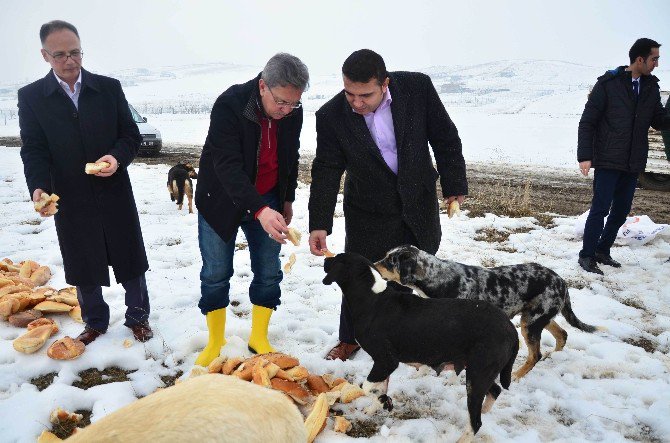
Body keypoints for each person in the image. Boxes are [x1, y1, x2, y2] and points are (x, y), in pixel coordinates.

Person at [308, 49, 468, 361]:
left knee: (417, 274)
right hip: (367, 210)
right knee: (361, 275)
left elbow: (445, 137)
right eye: (349, 93)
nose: (356, 102)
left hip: (418, 201)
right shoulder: (331, 117)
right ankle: (350, 339)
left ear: (385, 84)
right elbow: (326, 170)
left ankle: (413, 337)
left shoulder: (418, 89)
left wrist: (454, 185)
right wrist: (319, 223)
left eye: (364, 95)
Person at [19, 20, 153, 345]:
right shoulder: (33, 97)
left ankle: (138, 317)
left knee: (129, 256)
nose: (70, 60)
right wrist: (38, 186)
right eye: (60, 54)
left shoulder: (108, 88)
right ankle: (94, 321)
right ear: (45, 55)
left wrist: (116, 158)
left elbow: (130, 135)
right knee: (82, 258)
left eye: (75, 52)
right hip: (69, 194)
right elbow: (34, 148)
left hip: (114, 189)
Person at [194, 53, 309, 366]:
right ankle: (216, 341)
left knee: (269, 270)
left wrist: (286, 200)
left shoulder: (292, 112)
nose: (287, 111)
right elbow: (227, 165)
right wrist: (260, 210)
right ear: (262, 86)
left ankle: (259, 337)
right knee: (216, 272)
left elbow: (290, 156)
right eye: (282, 102)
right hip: (220, 199)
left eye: (294, 104)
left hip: (268, 197)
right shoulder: (229, 105)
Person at [577, 38, 670, 275]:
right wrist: (585, 155)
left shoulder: (651, 87)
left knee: (621, 211)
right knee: (600, 209)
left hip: (633, 161)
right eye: (654, 59)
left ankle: (602, 250)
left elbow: (659, 122)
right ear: (640, 59)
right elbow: (587, 122)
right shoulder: (609, 84)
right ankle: (587, 256)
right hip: (609, 158)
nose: (656, 64)